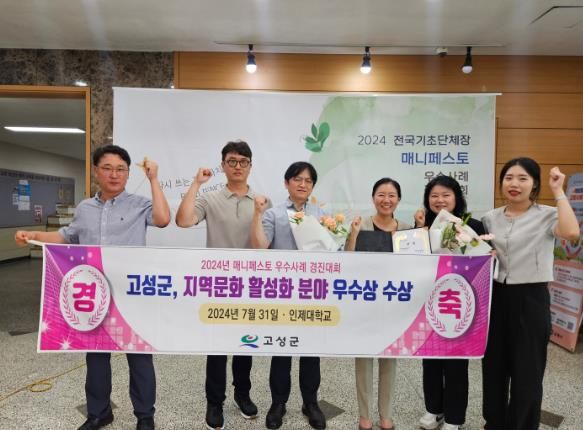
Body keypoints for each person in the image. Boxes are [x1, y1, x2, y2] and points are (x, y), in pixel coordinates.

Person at [15, 145, 171, 430]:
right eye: (107, 168)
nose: (114, 174)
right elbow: (65, 237)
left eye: (121, 169)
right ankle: (99, 413)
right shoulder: (85, 208)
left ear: (128, 173)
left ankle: (145, 415)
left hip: (130, 295)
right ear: (96, 171)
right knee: (96, 356)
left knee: (139, 357)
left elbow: (162, 219)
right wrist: (33, 234)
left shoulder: (139, 204)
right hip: (95, 294)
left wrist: (153, 179)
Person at [481, 158, 578, 430]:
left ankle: (523, 425)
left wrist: (558, 191)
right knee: (493, 369)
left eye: (523, 178)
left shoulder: (548, 214)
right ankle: (494, 423)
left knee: (528, 371)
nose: (514, 183)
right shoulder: (490, 218)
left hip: (531, 298)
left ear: (534, 184)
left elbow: (571, 233)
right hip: (496, 298)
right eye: (509, 177)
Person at [175, 140, 264, 430]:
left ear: (250, 166)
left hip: (251, 286)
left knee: (245, 345)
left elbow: (266, 246)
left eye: (243, 162)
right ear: (223, 165)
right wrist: (196, 184)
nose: (238, 166)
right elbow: (183, 221)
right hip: (219, 286)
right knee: (216, 348)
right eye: (232, 161)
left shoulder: (262, 201)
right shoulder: (210, 198)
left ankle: (242, 394)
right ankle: (214, 402)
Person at [250, 161, 327, 430]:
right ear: (287, 183)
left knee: (311, 353)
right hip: (282, 293)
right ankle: (278, 404)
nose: (303, 184)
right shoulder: (274, 214)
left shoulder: (322, 215)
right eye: (297, 179)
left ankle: (310, 403)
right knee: (281, 351)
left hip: (311, 293)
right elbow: (261, 247)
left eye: (308, 180)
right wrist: (257, 215)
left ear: (312, 186)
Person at [413, 175, 485, 430]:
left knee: (456, 363)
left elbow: (483, 264)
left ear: (456, 197)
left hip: (461, 305)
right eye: (434, 196)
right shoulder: (423, 225)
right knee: (430, 359)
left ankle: (454, 418)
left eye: (446, 195)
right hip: (430, 303)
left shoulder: (473, 225)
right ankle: (434, 409)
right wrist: (419, 229)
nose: (440, 200)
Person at [344, 177, 411, 430]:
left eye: (392, 195)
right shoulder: (361, 225)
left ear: (399, 200)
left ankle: (386, 414)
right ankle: (364, 415)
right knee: (363, 360)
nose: (386, 200)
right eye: (381, 194)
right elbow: (347, 260)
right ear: (373, 198)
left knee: (389, 361)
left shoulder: (406, 229)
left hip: (393, 304)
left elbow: (416, 266)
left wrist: (421, 230)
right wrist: (353, 234)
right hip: (365, 302)